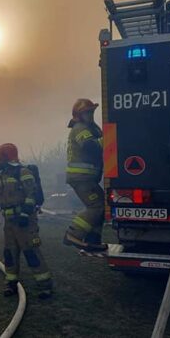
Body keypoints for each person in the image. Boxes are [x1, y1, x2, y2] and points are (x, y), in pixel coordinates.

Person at [0, 143, 53, 299]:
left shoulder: (23, 172)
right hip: (9, 221)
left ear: (6, 157)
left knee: (31, 252)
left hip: (25, 221)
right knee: (10, 253)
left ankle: (45, 287)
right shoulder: (4, 174)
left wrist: (25, 214)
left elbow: (32, 194)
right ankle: (11, 284)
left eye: (0, 157)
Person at [63, 98, 107, 253]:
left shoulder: (89, 128)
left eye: (91, 112)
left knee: (102, 206)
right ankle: (73, 234)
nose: (90, 115)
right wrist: (109, 139)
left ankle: (93, 240)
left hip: (86, 178)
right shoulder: (80, 128)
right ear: (78, 115)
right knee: (97, 206)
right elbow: (90, 147)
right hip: (81, 178)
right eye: (87, 112)